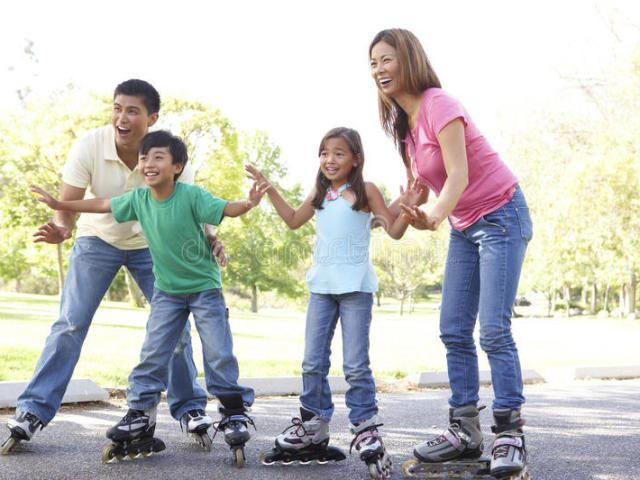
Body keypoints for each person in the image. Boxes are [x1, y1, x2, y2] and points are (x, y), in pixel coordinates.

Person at [5, 79, 225, 453]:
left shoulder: (169, 154)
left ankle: (189, 408)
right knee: (70, 323)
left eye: (132, 111)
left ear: (152, 118)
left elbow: (190, 207)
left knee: (175, 327)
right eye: (117, 108)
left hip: (154, 244)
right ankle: (32, 410)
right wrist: (61, 228)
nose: (121, 117)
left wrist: (208, 237)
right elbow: (69, 203)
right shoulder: (89, 145)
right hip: (97, 239)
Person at [31, 130, 262, 463]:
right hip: (167, 292)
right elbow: (100, 204)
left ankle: (233, 411)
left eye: (158, 157)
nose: (148, 163)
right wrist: (59, 204)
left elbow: (227, 209)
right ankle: (139, 412)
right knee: (152, 352)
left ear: (177, 166)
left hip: (204, 289)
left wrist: (250, 203)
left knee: (218, 351)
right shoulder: (139, 200)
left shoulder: (192, 195)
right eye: (144, 158)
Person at [369, 29, 533, 478]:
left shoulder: (439, 102)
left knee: (493, 331)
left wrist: (435, 214)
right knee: (453, 329)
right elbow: (417, 201)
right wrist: (406, 208)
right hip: (464, 227)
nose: (379, 70)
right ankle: (464, 430)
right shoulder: (406, 133)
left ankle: (509, 433)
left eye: (387, 59)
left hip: (501, 215)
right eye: (373, 63)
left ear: (409, 60)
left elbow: (458, 175)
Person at [246, 127, 424, 477]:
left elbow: (393, 230)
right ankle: (313, 424)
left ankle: (364, 425)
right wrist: (270, 189)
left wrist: (410, 205)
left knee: (356, 364)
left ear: (355, 158)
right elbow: (294, 221)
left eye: (339, 153)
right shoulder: (321, 191)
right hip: (321, 289)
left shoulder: (366, 191)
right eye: (325, 152)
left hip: (356, 288)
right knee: (312, 362)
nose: (330, 159)